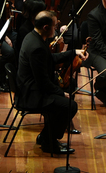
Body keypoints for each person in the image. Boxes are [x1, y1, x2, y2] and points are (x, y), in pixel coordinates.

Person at [16, 10, 86, 155]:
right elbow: (42, 83)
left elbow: (50, 59)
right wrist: (61, 93)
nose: (56, 29)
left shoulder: (33, 37)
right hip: (31, 94)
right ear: (46, 27)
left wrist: (73, 52)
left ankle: (45, 136)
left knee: (64, 102)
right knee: (69, 106)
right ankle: (49, 142)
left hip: (33, 88)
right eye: (55, 26)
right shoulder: (36, 47)